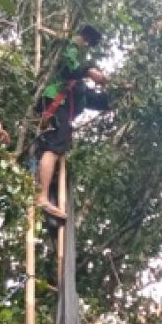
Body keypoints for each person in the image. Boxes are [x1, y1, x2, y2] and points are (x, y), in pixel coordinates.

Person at [34, 24, 113, 221]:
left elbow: (98, 100)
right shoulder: (67, 49)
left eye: (88, 42)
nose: (84, 44)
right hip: (53, 105)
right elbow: (70, 66)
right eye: (84, 39)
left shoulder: (79, 87)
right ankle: (42, 197)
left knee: (57, 146)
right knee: (53, 147)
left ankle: (46, 194)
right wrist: (88, 71)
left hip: (60, 112)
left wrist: (119, 91)